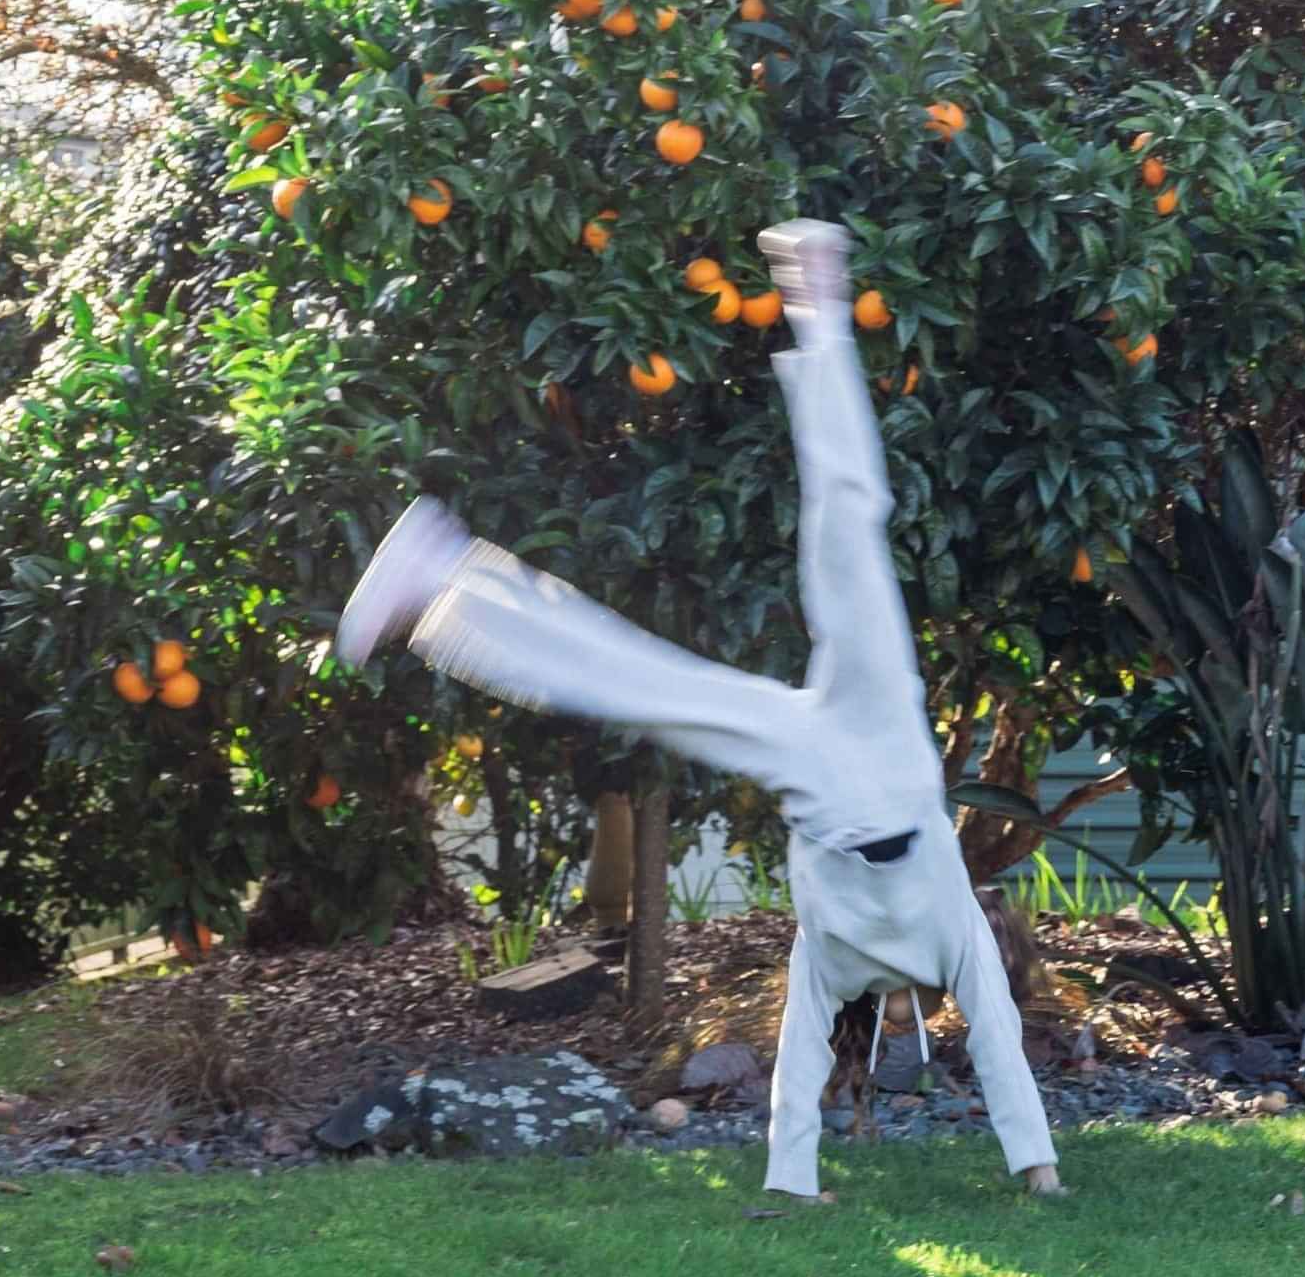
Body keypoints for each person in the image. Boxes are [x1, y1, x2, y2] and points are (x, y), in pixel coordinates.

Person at [331, 217, 1065, 1203]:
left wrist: (794, 1178)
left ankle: (440, 581)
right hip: (880, 754)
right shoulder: (953, 944)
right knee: (842, 527)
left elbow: (806, 1057)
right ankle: (817, 305)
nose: (904, 1025)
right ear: (930, 1006)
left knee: (646, 678)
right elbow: (1003, 1044)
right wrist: (1039, 1173)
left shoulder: (836, 963)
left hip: (824, 766)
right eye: (913, 1026)